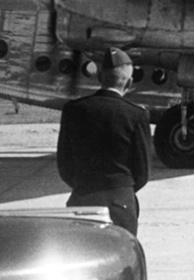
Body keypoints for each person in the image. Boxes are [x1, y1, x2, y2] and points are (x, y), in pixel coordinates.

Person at [57, 47, 150, 235]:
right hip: (121, 201)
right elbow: (142, 172)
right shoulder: (136, 114)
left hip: (83, 198)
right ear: (130, 82)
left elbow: (64, 164)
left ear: (99, 77)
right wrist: (122, 188)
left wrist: (84, 186)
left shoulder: (73, 110)